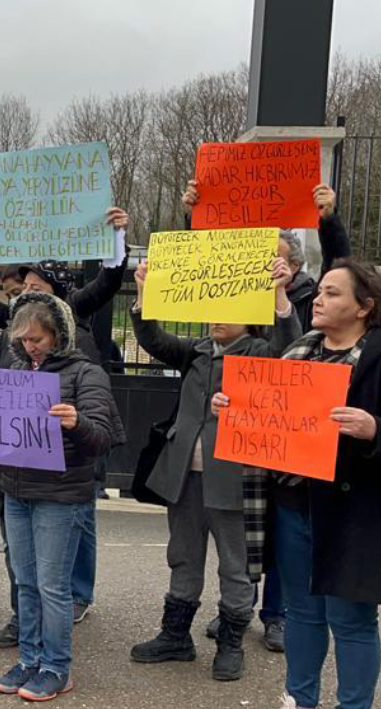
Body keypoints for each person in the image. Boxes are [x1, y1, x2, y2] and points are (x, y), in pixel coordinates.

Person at [184, 181, 350, 651]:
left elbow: (340, 268)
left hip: (297, 432)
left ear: (294, 266)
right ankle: (236, 613)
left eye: (273, 258)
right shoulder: (243, 292)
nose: (264, 265)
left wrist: (329, 219)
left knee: (282, 529)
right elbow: (192, 272)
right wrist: (193, 216)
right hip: (257, 433)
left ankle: (274, 615)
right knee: (254, 532)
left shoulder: (312, 296)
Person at [213, 258, 381, 709]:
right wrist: (230, 407)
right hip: (292, 504)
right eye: (320, 291)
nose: (319, 300)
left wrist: (374, 430)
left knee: (350, 618)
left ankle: (354, 705)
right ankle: (300, 698)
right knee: (303, 613)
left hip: (353, 513)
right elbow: (264, 407)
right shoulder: (299, 350)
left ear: (364, 306)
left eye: (332, 293)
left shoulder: (377, 356)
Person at [128, 256, 299, 681]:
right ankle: (175, 637)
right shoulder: (198, 351)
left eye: (229, 309)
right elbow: (153, 338)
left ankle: (231, 643)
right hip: (183, 477)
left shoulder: (263, 352)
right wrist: (144, 293)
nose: (216, 318)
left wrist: (280, 295)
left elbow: (291, 351)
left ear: (250, 315)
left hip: (235, 479)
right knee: (182, 556)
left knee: (234, 565)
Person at [0, 209, 129, 646]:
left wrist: (117, 238)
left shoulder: (74, 329)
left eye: (36, 288)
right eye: (24, 288)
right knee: (22, 557)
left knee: (65, 546)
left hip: (64, 466)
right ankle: (26, 625)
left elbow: (109, 281)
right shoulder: (16, 331)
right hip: (16, 465)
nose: (26, 295)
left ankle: (70, 613)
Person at [0, 292, 122, 702]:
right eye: (23, 341)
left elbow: (103, 439)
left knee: (52, 586)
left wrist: (76, 422)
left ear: (58, 336)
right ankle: (28, 659)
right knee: (25, 582)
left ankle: (56, 667)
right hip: (17, 491)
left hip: (61, 496)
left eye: (37, 340)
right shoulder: (16, 372)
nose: (29, 347)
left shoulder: (86, 374)